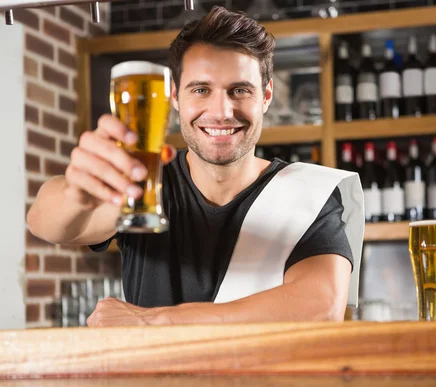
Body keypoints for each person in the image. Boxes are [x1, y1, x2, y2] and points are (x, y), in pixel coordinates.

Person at [26, 6, 364, 327]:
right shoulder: (146, 186)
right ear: (175, 97)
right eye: (201, 89)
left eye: (240, 90)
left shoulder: (308, 194)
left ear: (266, 96)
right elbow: (45, 223)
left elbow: (321, 307)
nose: (221, 111)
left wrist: (155, 322)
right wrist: (77, 193)